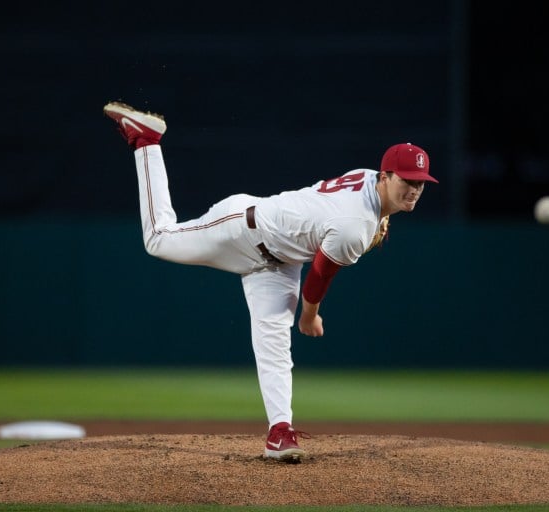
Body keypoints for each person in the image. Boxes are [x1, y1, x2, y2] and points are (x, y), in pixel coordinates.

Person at [103, 101, 438, 462]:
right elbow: (322, 273)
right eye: (407, 180)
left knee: (275, 346)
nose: (415, 189)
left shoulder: (371, 181)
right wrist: (309, 317)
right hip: (243, 229)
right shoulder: (355, 225)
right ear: (386, 177)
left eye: (420, 182)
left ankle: (280, 432)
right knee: (158, 239)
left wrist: (381, 217)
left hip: (280, 261)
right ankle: (147, 142)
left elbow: (349, 221)